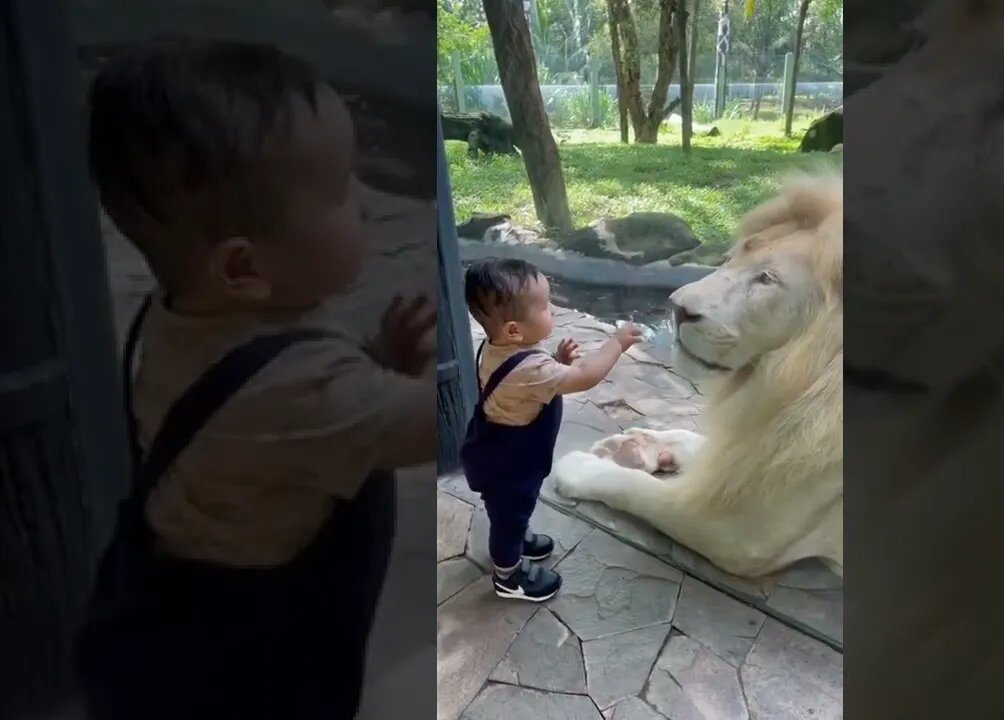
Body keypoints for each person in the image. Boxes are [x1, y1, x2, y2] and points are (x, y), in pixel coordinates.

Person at [75, 38, 436, 720]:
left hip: (177, 608)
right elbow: (439, 424)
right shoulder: (304, 395)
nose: (364, 201)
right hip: (259, 664)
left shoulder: (180, 313)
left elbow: (280, 408)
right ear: (242, 269)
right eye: (339, 188)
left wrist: (375, 360)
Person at [461, 258, 644, 601]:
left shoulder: (501, 348)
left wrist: (557, 364)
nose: (553, 311)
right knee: (508, 517)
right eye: (545, 306)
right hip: (510, 463)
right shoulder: (530, 367)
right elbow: (586, 376)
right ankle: (508, 575)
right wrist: (616, 343)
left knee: (512, 510)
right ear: (515, 330)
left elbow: (529, 385)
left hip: (497, 448)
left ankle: (517, 538)